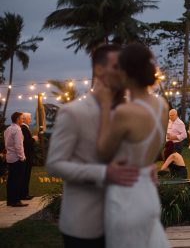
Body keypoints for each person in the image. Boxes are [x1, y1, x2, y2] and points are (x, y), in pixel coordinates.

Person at [46, 44, 140, 248]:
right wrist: (104, 173)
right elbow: (55, 164)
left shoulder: (124, 112)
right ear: (99, 69)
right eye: (117, 67)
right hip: (84, 225)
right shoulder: (73, 113)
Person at [96, 43, 170, 248]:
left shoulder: (125, 113)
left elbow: (102, 151)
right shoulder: (162, 105)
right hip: (148, 192)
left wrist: (104, 106)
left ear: (126, 72)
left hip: (125, 196)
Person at [4, 112, 28, 207]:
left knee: (11, 180)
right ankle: (16, 201)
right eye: (22, 118)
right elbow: (19, 146)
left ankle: (10, 200)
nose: (23, 119)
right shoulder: (17, 130)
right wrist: (22, 158)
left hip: (9, 157)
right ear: (17, 119)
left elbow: (7, 144)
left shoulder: (8, 129)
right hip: (17, 158)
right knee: (18, 180)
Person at [21, 112, 38, 200]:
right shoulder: (23, 128)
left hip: (26, 155)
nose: (30, 120)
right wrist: (33, 139)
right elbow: (26, 143)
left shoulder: (24, 128)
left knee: (26, 175)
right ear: (24, 119)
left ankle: (25, 193)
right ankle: (24, 194)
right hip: (26, 155)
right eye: (29, 118)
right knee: (25, 175)